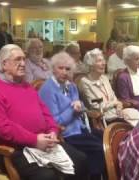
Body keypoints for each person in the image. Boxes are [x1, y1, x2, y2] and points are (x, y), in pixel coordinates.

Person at [0, 44, 89, 180]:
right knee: (47, 177)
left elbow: (46, 113)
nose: (23, 64)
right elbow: (1, 126)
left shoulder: (27, 86)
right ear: (4, 64)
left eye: (24, 59)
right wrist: (34, 140)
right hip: (13, 150)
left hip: (44, 142)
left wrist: (52, 131)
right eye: (18, 60)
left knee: (81, 160)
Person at [38, 52, 106, 180]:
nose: (64, 72)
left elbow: (81, 108)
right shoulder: (47, 90)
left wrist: (80, 106)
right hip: (66, 135)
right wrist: (72, 110)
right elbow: (54, 121)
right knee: (99, 149)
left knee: (108, 142)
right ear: (53, 69)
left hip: (81, 128)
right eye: (61, 68)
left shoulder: (72, 86)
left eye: (68, 69)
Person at [79, 48, 139, 126]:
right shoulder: (85, 82)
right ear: (91, 65)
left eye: (104, 60)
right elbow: (96, 106)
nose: (104, 63)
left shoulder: (104, 78)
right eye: (99, 61)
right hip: (103, 118)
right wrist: (114, 103)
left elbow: (114, 98)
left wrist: (118, 107)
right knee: (133, 126)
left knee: (137, 116)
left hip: (116, 113)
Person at [115, 45, 139, 113]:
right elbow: (126, 100)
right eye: (136, 59)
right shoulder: (123, 77)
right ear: (127, 61)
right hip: (134, 109)